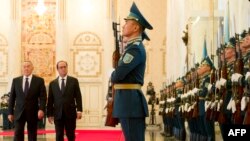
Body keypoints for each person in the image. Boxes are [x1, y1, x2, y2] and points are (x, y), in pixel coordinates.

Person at [111, 2, 153, 141]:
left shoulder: (134, 49)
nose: (123, 26)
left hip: (129, 103)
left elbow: (117, 75)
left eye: (127, 23)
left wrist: (113, 73)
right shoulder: (132, 47)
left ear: (135, 27)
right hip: (129, 102)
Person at [8, 61, 47, 141]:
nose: (26, 68)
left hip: (33, 112)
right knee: (18, 134)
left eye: (28, 66)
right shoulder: (16, 80)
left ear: (32, 68)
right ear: (22, 68)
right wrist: (10, 112)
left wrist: (41, 109)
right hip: (19, 112)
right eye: (24, 66)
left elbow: (43, 97)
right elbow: (12, 97)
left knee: (32, 135)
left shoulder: (39, 81)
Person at [47, 60, 83, 141]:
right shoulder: (52, 83)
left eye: (64, 67)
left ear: (67, 68)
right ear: (58, 69)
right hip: (58, 114)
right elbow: (50, 100)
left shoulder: (74, 81)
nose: (63, 69)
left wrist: (79, 110)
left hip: (70, 113)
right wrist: (49, 114)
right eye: (61, 67)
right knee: (59, 135)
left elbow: (78, 96)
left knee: (70, 134)